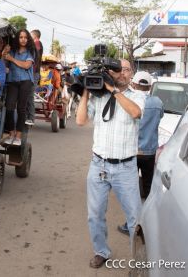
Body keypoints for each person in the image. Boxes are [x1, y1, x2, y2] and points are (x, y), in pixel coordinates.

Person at [76, 59, 145, 269]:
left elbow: (135, 113)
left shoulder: (138, 96)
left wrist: (113, 90)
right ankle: (101, 251)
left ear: (132, 74)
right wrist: (86, 90)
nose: (122, 73)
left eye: (126, 70)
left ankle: (140, 257)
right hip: (99, 166)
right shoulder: (100, 97)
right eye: (118, 70)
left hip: (126, 168)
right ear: (111, 73)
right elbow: (80, 120)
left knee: (135, 218)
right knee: (95, 215)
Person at [117, 71, 164, 235]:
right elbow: (160, 117)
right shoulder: (157, 102)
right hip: (150, 152)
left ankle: (132, 224)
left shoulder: (130, 101)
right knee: (148, 189)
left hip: (132, 151)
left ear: (134, 84)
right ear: (150, 86)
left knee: (131, 191)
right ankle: (146, 223)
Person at [3, 29, 35, 146]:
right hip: (12, 80)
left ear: (28, 39)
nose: (23, 39)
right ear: (17, 38)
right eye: (21, 37)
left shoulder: (30, 52)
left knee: (21, 108)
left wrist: (12, 59)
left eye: (25, 37)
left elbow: (26, 65)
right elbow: (4, 60)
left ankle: (18, 136)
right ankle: (11, 134)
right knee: (9, 107)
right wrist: (4, 52)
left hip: (25, 81)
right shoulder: (12, 50)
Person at [25, 29, 44, 126]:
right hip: (33, 73)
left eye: (29, 36)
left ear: (35, 36)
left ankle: (31, 117)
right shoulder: (37, 44)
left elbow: (34, 60)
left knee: (29, 95)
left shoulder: (37, 44)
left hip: (33, 73)